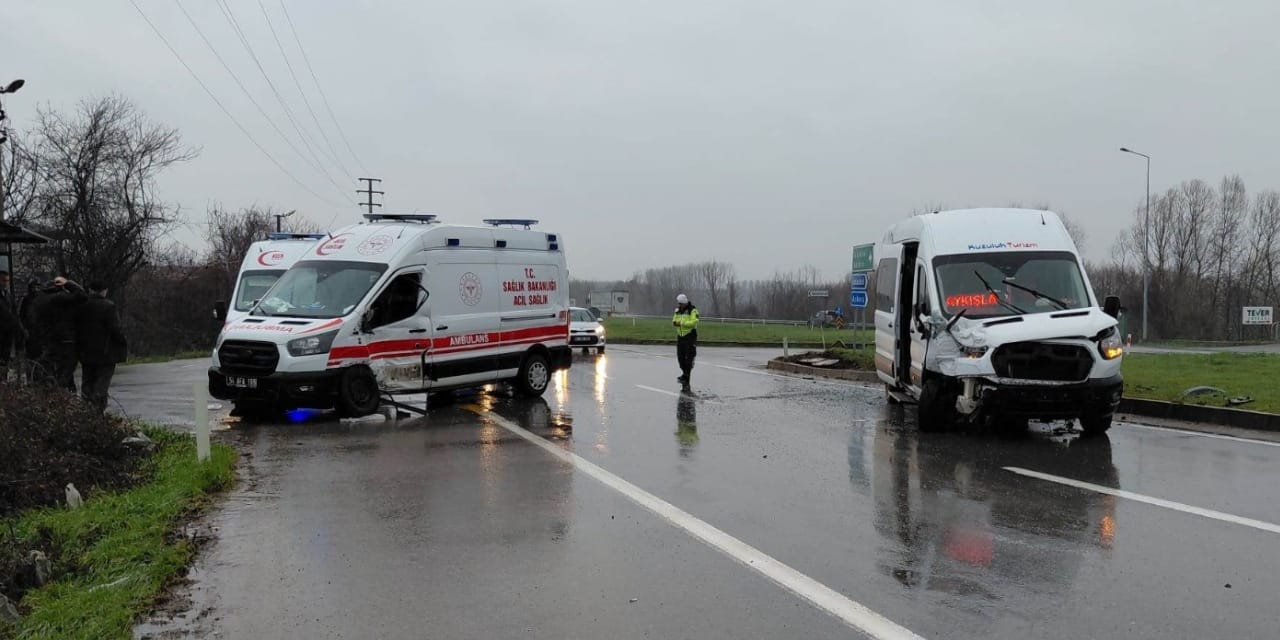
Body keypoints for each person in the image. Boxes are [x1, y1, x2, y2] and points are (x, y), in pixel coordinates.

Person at [76, 282, 128, 413]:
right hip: (106, 351)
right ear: (105, 290)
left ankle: (86, 407)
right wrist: (123, 342)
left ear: (90, 289)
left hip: (86, 351)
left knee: (87, 380)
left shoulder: (81, 306)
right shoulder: (109, 306)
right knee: (102, 382)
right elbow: (115, 328)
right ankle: (97, 410)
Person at [36, 276, 87, 392]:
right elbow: (82, 296)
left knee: (56, 366)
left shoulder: (41, 300)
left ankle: (66, 391)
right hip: (66, 339)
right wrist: (68, 283)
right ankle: (59, 391)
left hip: (49, 339)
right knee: (68, 367)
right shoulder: (60, 298)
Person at [0, 270, 24, 383]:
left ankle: (3, 381)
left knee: (5, 358)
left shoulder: (8, 296)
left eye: (7, 281)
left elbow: (14, 314)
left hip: (7, 334)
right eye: (3, 280)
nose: (5, 283)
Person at [18, 280, 43, 383]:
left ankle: (39, 379)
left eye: (38, 287)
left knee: (40, 358)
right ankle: (31, 380)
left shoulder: (41, 299)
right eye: (34, 287)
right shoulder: (26, 300)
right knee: (30, 358)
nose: (36, 289)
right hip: (30, 332)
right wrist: (24, 330)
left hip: (40, 333)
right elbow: (21, 316)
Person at [672, 293, 699, 386]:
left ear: (684, 303)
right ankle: (685, 374)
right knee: (680, 358)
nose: (679, 305)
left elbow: (694, 322)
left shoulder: (692, 310)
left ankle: (686, 378)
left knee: (689, 359)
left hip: (690, 336)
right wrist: (675, 323)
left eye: (680, 304)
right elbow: (674, 320)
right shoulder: (677, 311)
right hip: (680, 336)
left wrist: (682, 323)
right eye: (678, 304)